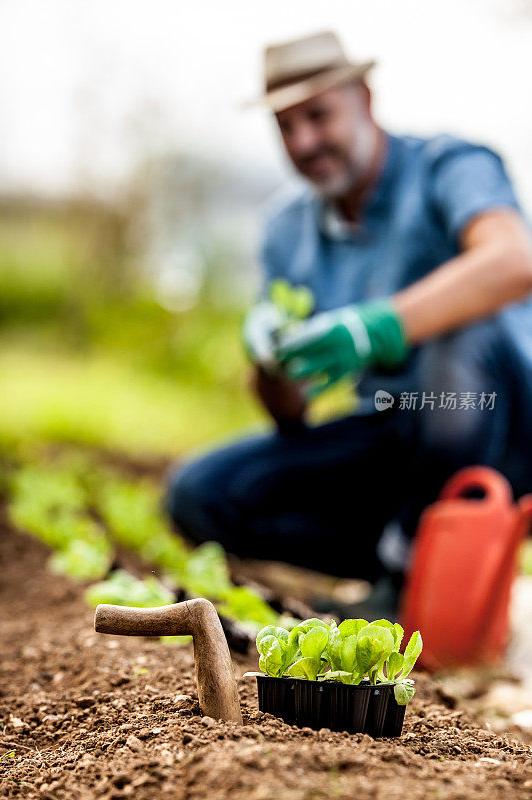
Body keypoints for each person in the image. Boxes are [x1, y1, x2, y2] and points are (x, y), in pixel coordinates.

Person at [165, 31, 532, 614]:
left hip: (503, 427)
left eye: (318, 115)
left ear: (363, 97)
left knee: (462, 333)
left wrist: (380, 326)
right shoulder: (288, 230)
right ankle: (411, 566)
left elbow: (514, 261)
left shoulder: (450, 166)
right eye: (285, 126)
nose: (304, 141)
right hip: (397, 429)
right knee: (203, 495)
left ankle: (407, 574)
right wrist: (271, 362)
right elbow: (291, 412)